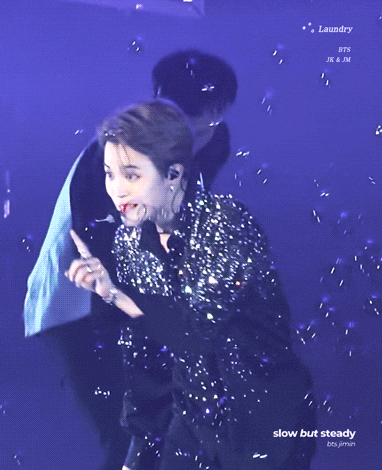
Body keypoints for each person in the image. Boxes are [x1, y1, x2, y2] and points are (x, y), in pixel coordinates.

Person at [66, 99, 317, 470]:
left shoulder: (225, 223)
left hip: (263, 422)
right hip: (193, 420)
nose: (116, 190)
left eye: (131, 176)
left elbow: (196, 330)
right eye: (109, 174)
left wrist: (116, 294)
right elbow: (145, 359)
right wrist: (136, 456)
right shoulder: (129, 241)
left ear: (173, 174)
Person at [23, 50, 238, 470]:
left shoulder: (212, 145)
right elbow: (99, 246)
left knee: (161, 433)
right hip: (78, 306)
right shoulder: (113, 154)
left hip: (135, 305)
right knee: (129, 435)